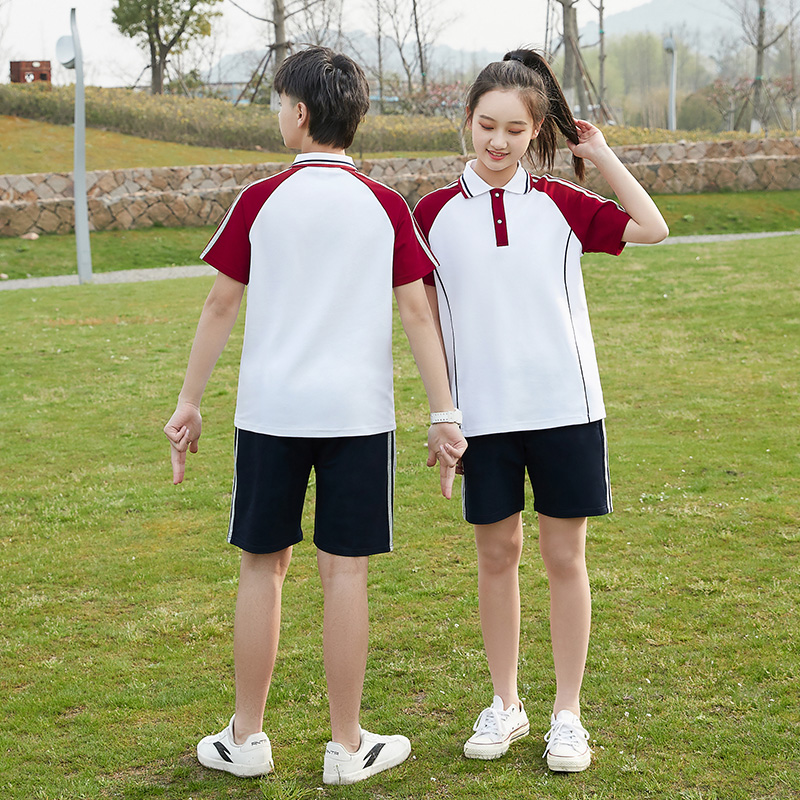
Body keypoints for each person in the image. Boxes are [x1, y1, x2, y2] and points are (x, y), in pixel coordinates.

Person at [164, 46, 466, 786]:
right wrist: (443, 412)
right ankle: (346, 743)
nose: (277, 115)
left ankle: (247, 738)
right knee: (346, 574)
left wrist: (190, 401)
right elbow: (419, 316)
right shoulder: (385, 205)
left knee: (261, 569)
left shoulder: (261, 199)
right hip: (357, 419)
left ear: (300, 114)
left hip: (271, 414)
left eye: (277, 104)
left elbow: (219, 304)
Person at [413, 48, 668, 772]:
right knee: (497, 557)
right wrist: (442, 413)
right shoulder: (430, 214)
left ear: (536, 133)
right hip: (482, 419)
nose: (498, 142)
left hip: (566, 408)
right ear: (466, 120)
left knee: (565, 558)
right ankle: (506, 704)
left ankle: (567, 715)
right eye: (487, 125)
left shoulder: (560, 203)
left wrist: (601, 154)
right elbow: (423, 321)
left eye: (516, 130)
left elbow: (651, 228)